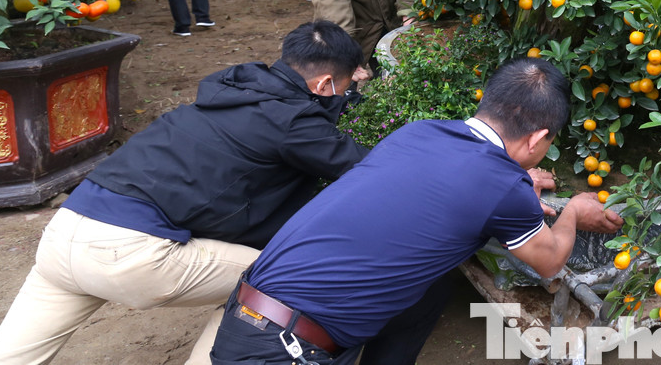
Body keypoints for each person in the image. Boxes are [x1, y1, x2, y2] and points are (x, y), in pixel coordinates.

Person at [0, 22, 373, 365]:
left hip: (65, 235)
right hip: (129, 254)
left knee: (5, 359)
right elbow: (368, 171)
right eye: (342, 87)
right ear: (323, 84)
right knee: (277, 279)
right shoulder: (293, 121)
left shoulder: (228, 91)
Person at [208, 58, 623, 365]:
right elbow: (550, 261)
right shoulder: (501, 186)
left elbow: (444, 186)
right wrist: (574, 212)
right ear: (538, 138)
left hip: (249, 312)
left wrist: (517, 184)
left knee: (431, 290)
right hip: (284, 351)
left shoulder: (420, 132)